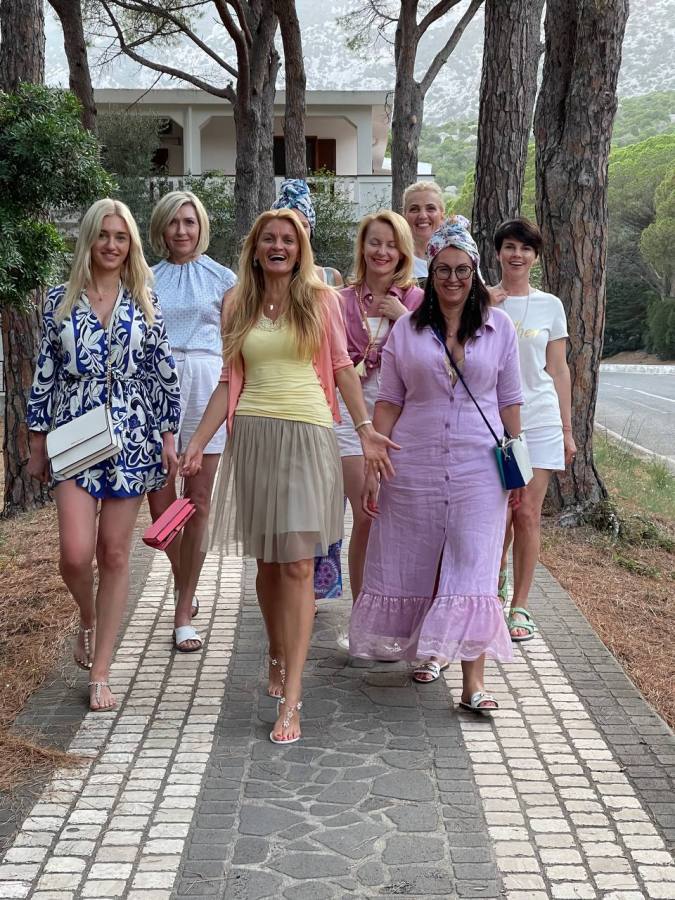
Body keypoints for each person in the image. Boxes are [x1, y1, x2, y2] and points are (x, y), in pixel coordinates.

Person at [181, 209, 396, 743]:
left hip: (309, 435)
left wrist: (365, 428)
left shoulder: (321, 299)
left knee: (298, 563)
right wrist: (198, 441)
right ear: (255, 250)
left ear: (300, 250)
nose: (279, 246)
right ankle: (276, 651)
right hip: (254, 436)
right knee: (269, 564)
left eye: (289, 240)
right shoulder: (237, 302)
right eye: (269, 239)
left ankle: (293, 695)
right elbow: (228, 379)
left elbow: (342, 368)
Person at [349, 219, 524, 712]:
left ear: (474, 273)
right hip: (414, 464)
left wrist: (518, 466)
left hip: (480, 467)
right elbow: (389, 400)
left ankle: (473, 684)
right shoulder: (408, 329)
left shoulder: (499, 327)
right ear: (431, 274)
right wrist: (374, 460)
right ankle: (427, 649)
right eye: (443, 270)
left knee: (475, 564)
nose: (452, 279)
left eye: (462, 270)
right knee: (422, 559)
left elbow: (510, 401)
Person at [26, 198, 181, 712]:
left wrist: (169, 435)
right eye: (103, 235)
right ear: (89, 240)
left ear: (130, 243)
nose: (112, 245)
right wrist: (36, 441)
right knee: (75, 554)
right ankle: (88, 618)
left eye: (121, 236)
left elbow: (161, 370)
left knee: (114, 554)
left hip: (133, 434)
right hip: (75, 431)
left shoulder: (145, 300)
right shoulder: (59, 300)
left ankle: (100, 671)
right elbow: (45, 372)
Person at [148, 191, 236, 652]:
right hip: (156, 392)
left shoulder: (223, 277)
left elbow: (235, 343)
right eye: (173, 222)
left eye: (189, 221)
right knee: (162, 510)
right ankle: (186, 579)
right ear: (161, 228)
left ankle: (183, 610)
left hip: (207, 386)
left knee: (198, 501)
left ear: (201, 226)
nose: (181, 230)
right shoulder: (144, 277)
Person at [335, 211, 423, 629]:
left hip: (402, 422)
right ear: (362, 247)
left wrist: (403, 317)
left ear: (403, 251)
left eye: (391, 244)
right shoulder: (340, 300)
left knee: (401, 523)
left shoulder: (418, 300)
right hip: (351, 419)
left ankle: (400, 612)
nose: (382, 252)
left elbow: (434, 353)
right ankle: (363, 617)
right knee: (367, 515)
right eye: (375, 243)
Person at [489, 218, 576, 641]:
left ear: (535, 257)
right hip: (493, 422)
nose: (517, 255)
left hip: (540, 420)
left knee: (526, 513)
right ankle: (495, 578)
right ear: (498, 253)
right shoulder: (482, 300)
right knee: (498, 514)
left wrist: (567, 429)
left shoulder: (550, 305)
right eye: (510, 247)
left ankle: (519, 606)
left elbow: (558, 370)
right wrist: (482, 307)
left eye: (525, 249)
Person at [272, 178, 344, 602]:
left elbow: (339, 354)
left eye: (301, 225)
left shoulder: (328, 280)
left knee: (314, 511)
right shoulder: (261, 281)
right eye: (286, 224)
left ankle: (311, 590)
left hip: (316, 411)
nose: (292, 234)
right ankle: (287, 591)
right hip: (271, 415)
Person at [402, 181, 446, 282]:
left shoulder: (457, 257)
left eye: (430, 208)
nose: (422, 216)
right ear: (404, 216)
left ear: (442, 215)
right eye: (414, 209)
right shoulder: (395, 260)